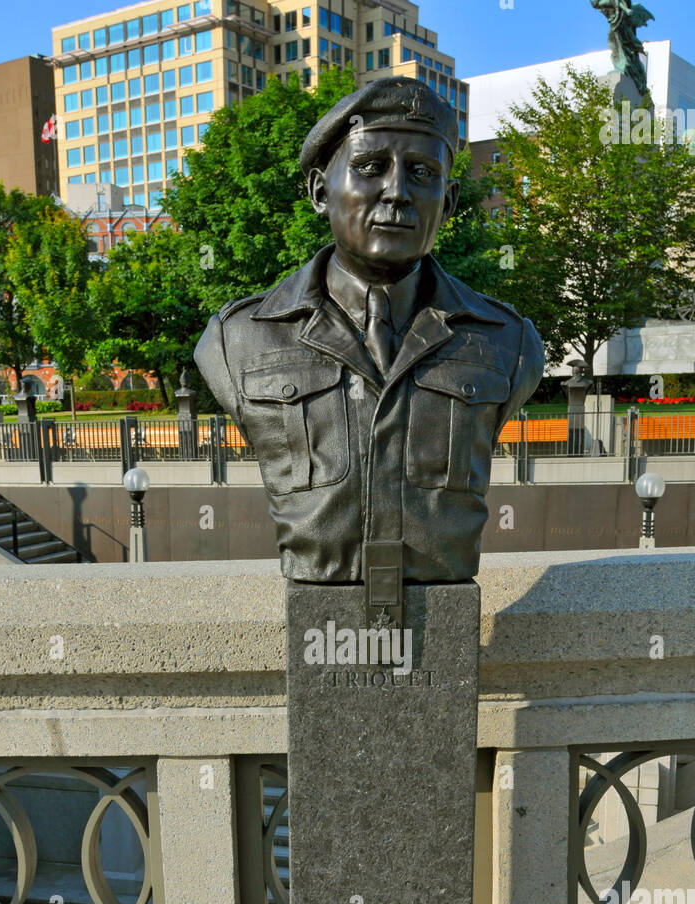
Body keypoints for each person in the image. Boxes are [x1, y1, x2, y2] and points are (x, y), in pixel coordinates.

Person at [195, 77, 544, 601]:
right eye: (370, 167)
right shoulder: (238, 338)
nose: (398, 191)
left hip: (444, 593)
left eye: (422, 173)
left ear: (447, 204)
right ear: (319, 191)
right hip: (318, 597)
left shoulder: (507, 340)